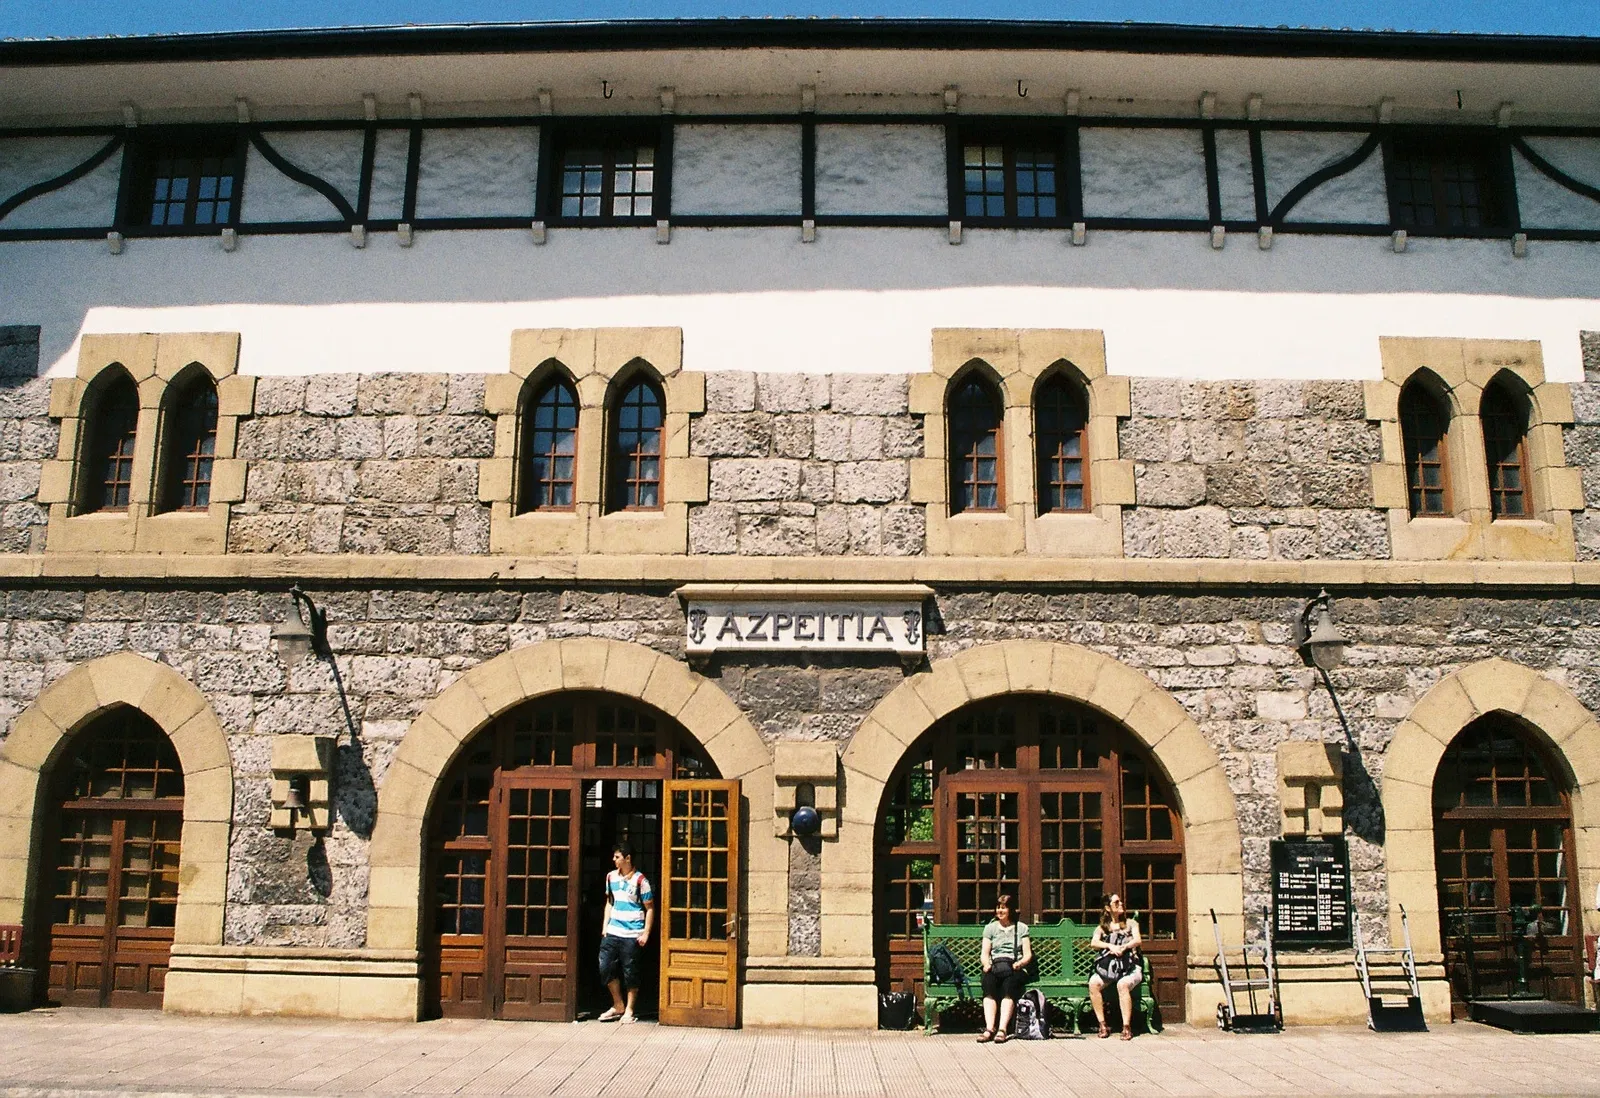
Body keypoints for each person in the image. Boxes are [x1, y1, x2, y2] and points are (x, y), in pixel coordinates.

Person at [597, 840, 654, 1023]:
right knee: (605, 966)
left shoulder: (641, 881)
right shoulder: (611, 877)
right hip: (613, 930)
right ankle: (618, 1004)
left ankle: (630, 1009)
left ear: (627, 858)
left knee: (631, 971)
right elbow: (610, 902)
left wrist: (646, 933)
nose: (614, 859)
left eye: (617, 857)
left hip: (632, 933)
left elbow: (650, 908)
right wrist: (605, 926)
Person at [976, 893, 1033, 1043]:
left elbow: (1027, 954)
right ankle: (989, 1029)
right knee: (988, 984)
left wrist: (1019, 964)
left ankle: (1002, 1029)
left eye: (1003, 908)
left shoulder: (1021, 928)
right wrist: (986, 964)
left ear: (1010, 910)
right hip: (995, 965)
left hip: (1014, 966)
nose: (1000, 911)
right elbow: (984, 953)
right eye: (998, 908)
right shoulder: (990, 928)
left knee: (1009, 986)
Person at [1088, 892, 1143, 1040]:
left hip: (1130, 967)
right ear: (1108, 908)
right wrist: (1110, 946)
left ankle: (1126, 1027)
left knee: (1122, 984)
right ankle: (1102, 1025)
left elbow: (1137, 940)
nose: (1121, 904)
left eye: (1121, 902)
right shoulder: (1102, 927)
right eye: (1116, 903)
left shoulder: (1131, 923)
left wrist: (1124, 947)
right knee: (1093, 983)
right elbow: (1094, 943)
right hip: (1111, 968)